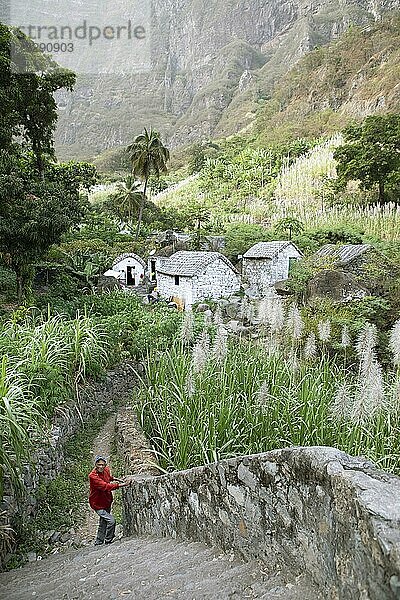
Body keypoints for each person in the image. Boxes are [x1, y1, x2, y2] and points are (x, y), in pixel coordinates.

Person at [89, 455, 130, 546]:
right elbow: (105, 486)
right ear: (95, 464)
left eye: (103, 465)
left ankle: (99, 542)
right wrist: (122, 485)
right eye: (99, 464)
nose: (101, 467)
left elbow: (109, 478)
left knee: (103, 522)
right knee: (111, 521)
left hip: (106, 501)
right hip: (97, 504)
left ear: (105, 465)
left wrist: (118, 479)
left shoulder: (106, 470)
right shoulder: (93, 476)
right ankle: (108, 541)